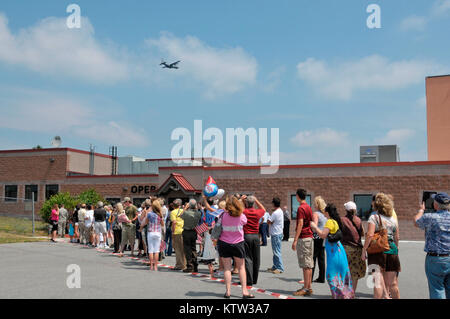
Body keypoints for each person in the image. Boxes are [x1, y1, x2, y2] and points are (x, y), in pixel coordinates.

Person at [362, 193, 401, 299]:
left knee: (377, 282)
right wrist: (396, 249)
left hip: (376, 252)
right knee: (393, 284)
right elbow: (396, 237)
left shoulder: (373, 217)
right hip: (392, 251)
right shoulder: (392, 219)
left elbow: (370, 235)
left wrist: (364, 250)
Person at [311, 204, 354, 299]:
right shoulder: (335, 221)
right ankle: (344, 294)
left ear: (327, 212)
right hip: (338, 249)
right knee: (340, 273)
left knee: (331, 275)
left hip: (334, 251)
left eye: (324, 212)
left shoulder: (330, 221)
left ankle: (339, 296)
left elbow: (323, 235)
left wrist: (314, 226)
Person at [414, 192, 450, 299]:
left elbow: (416, 222)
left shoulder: (430, 217)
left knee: (437, 289)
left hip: (435, 259)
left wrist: (421, 210)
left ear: (436, 204)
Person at [217, 196, 254, 299]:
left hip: (224, 243)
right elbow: (245, 223)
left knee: (227, 269)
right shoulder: (241, 216)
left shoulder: (223, 215)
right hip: (238, 244)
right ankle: (244, 291)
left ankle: (228, 292)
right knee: (241, 268)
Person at [341, 201, 366, 293]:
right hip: (357, 248)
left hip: (346, 248)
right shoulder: (358, 220)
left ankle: (345, 292)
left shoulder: (342, 220)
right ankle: (352, 293)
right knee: (354, 273)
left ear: (346, 210)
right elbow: (362, 233)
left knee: (345, 271)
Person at [292, 189, 314, 296]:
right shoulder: (308, 207)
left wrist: (295, 240)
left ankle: (305, 288)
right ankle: (308, 287)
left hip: (303, 238)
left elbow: (300, 224)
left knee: (305, 265)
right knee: (309, 264)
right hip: (309, 237)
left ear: (297, 196)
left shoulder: (301, 208)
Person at [242, 195, 266, 285]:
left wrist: (241, 200)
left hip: (246, 235)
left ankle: (249, 280)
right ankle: (255, 279)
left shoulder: (244, 212)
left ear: (247, 203)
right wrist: (256, 200)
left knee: (248, 258)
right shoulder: (257, 212)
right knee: (256, 258)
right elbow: (263, 209)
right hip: (256, 236)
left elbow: (238, 209)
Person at [140, 199, 164, 271]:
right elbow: (162, 224)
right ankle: (156, 266)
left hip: (150, 232)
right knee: (156, 250)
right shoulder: (160, 214)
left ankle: (151, 266)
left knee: (150, 250)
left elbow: (146, 222)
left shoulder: (150, 214)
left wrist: (141, 227)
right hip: (158, 232)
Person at [180, 199, 202, 273]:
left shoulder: (186, 213)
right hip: (194, 231)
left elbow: (179, 216)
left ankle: (189, 266)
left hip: (186, 231)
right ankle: (195, 265)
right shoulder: (198, 213)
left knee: (187, 249)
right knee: (193, 249)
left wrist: (185, 208)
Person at [312, 196, 327, 284]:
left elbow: (314, 227)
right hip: (323, 237)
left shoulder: (315, 214)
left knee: (313, 258)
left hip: (316, 238)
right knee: (321, 258)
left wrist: (310, 225)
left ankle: (310, 278)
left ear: (317, 204)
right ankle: (321, 277)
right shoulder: (324, 214)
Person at [267, 197, 284, 274]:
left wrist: (268, 217)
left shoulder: (275, 213)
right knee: (275, 251)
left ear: (274, 204)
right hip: (279, 232)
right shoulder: (280, 211)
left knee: (276, 251)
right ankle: (275, 266)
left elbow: (269, 221)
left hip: (276, 234)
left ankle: (280, 268)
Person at [171, 199, 186, 271]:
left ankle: (179, 265)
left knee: (178, 249)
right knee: (183, 249)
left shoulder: (173, 212)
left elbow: (174, 222)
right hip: (184, 230)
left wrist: (173, 232)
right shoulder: (183, 211)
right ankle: (184, 264)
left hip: (177, 231)